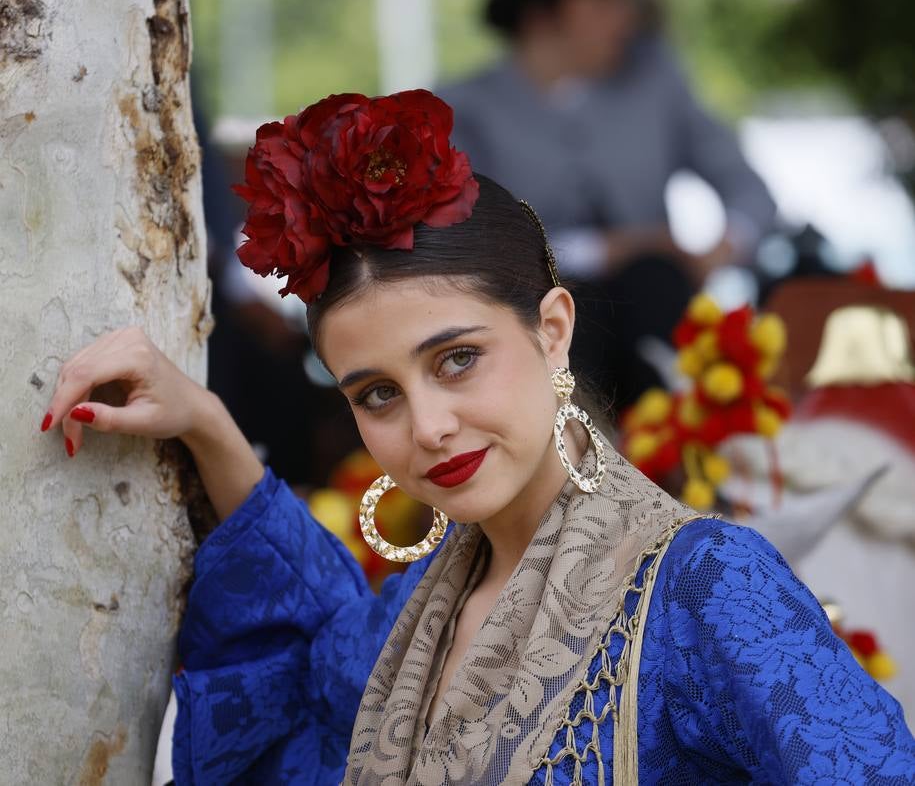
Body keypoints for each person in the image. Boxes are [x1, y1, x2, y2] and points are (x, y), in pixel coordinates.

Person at [42, 91, 913, 784]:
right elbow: (303, 655)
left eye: (457, 360)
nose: (427, 426)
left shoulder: (704, 588)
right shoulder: (414, 618)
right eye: (377, 393)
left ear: (553, 330)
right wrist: (206, 423)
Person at [438, 0, 777, 408]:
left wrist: (722, 248)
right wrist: (611, 248)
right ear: (542, 7)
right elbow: (472, 244)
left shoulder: (657, 84)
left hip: (657, 314)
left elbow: (747, 187)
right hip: (539, 334)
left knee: (654, 286)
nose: (628, 15)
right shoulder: (464, 109)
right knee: (567, 320)